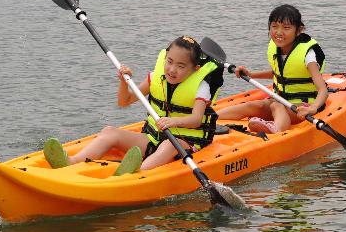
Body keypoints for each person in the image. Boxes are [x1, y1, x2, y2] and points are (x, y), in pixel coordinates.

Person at [43, 36, 224, 175]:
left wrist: (172, 121)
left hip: (187, 141)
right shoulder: (156, 77)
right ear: (165, 58)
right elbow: (124, 102)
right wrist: (123, 82)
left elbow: (196, 119)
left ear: (195, 69)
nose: (172, 69)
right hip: (154, 137)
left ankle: (137, 174)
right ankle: (72, 161)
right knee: (109, 131)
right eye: (169, 62)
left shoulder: (202, 86)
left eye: (181, 66)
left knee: (168, 146)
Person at [217, 4, 328, 134]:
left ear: (298, 30)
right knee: (254, 105)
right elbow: (279, 74)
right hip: (280, 101)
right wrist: (251, 74)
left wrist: (313, 109)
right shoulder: (276, 47)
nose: (279, 32)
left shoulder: (308, 55)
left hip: (302, 107)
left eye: (286, 28)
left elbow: (323, 90)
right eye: (274, 26)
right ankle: (210, 117)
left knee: (276, 105)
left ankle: (277, 129)